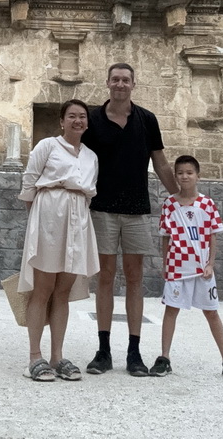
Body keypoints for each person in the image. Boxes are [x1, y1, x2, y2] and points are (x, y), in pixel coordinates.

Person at [82, 63, 176, 377]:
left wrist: (178, 198)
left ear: (134, 84)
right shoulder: (92, 119)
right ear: (107, 83)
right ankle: (103, 350)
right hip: (103, 208)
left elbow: (161, 163)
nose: (120, 84)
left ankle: (134, 352)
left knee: (135, 278)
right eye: (115, 79)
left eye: (126, 80)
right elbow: (77, 159)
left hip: (136, 210)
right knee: (105, 277)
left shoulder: (147, 120)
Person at [17, 99, 100, 382]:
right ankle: (34, 357)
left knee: (62, 291)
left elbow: (89, 191)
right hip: (49, 218)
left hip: (78, 221)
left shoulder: (90, 156)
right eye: (72, 116)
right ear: (62, 121)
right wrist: (38, 223)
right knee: (43, 288)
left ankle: (57, 355)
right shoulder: (47, 146)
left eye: (82, 117)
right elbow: (29, 185)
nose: (78, 121)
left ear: (87, 123)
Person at [150, 154, 223, 381]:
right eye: (180, 173)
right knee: (171, 310)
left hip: (202, 268)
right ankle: (164, 357)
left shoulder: (207, 203)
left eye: (189, 172)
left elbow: (213, 236)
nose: (185, 176)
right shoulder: (169, 205)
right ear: (175, 176)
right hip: (177, 266)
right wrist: (165, 263)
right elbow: (165, 237)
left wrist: (211, 263)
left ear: (198, 176)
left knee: (211, 312)